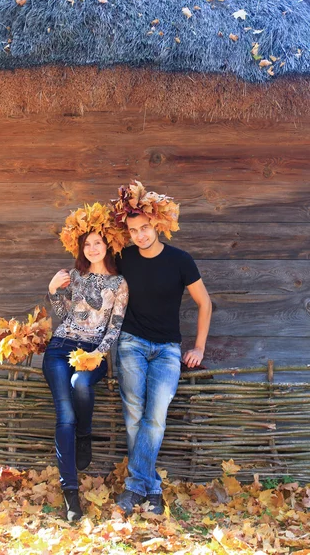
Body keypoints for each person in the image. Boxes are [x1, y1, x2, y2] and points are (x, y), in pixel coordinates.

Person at [110, 181, 212, 515]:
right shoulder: (123, 258)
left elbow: (204, 303)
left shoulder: (180, 261)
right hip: (131, 343)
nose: (140, 235)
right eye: (134, 230)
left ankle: (137, 487)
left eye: (145, 228)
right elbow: (95, 270)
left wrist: (198, 347)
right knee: (135, 413)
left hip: (168, 348)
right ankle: (149, 489)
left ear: (157, 225)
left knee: (156, 415)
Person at [42, 202, 129, 522]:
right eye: (87, 244)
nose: (92, 248)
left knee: (81, 384)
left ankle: (85, 434)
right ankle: (71, 495)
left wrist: (97, 354)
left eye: (97, 242)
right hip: (60, 348)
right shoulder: (75, 276)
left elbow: (115, 326)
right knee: (64, 416)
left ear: (108, 245)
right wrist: (53, 290)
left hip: (94, 352)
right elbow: (65, 317)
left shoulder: (119, 284)